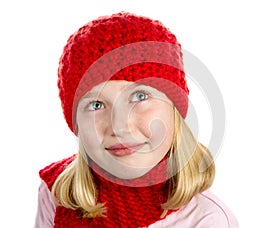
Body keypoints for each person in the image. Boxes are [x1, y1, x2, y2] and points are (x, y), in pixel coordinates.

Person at [35, 12, 239, 228]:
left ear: (174, 109)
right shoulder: (57, 194)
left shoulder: (207, 220)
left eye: (140, 96)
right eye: (96, 105)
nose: (120, 126)